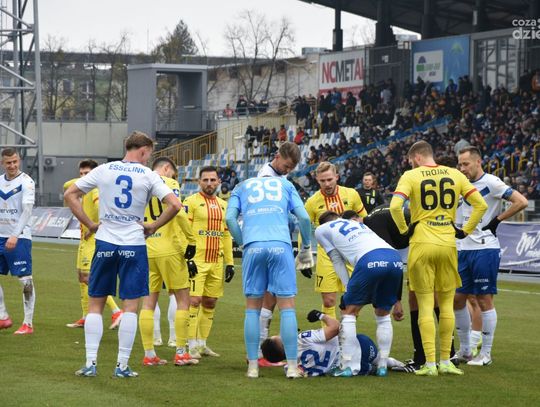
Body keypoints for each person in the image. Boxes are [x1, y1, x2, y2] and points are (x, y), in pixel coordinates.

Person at [64, 131, 182, 378]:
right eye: (149, 154)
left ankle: (90, 363)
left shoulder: (104, 170)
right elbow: (175, 204)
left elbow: (70, 194)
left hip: (105, 242)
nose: (148, 158)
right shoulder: (148, 175)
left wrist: (90, 224)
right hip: (134, 244)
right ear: (143, 150)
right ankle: (122, 366)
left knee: (95, 304)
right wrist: (153, 226)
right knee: (130, 307)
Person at [389, 140, 488, 376]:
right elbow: (481, 205)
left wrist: (405, 230)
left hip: (422, 243)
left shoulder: (411, 176)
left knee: (424, 305)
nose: (411, 165)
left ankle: (430, 364)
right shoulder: (455, 174)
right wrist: (465, 230)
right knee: (445, 306)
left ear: (417, 158)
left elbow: (395, 207)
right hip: (447, 244)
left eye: (411, 161)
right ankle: (446, 361)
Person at [225, 175, 314, 379]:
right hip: (280, 244)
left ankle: (252, 367)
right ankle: (292, 367)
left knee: (252, 309)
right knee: (287, 308)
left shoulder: (241, 186)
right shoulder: (286, 184)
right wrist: (306, 248)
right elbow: (304, 218)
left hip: (253, 245)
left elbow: (229, 219)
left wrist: (243, 243)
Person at [454, 146, 528, 366]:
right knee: (458, 299)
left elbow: (521, 201)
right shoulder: (460, 184)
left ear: (478, 162)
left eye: (466, 164)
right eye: (460, 164)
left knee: (484, 300)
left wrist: (496, 221)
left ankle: (486, 354)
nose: (462, 168)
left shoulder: (492, 182)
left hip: (484, 249)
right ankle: (466, 350)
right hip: (462, 249)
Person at [315, 211, 403, 377]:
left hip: (369, 259)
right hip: (394, 258)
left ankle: (347, 366)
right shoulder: (356, 223)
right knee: (383, 314)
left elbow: (336, 260)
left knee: (349, 312)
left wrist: (347, 286)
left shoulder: (321, 230)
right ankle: (382, 365)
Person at [138, 157, 200, 367]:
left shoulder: (141, 183)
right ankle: (181, 352)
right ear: (166, 168)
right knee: (183, 299)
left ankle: (149, 354)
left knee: (148, 303)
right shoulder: (168, 183)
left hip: (146, 249)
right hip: (170, 249)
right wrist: (191, 240)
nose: (175, 177)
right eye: (173, 173)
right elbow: (178, 212)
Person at [256, 141, 301, 367]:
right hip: (271, 240)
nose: (287, 170)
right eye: (286, 165)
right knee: (272, 297)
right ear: (278, 156)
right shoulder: (267, 177)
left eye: (291, 168)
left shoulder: (277, 175)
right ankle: (259, 354)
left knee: (269, 297)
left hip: (269, 239)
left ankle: (258, 353)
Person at [64, 160, 123, 330]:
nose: (83, 177)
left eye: (87, 173)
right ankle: (85, 316)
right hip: (84, 240)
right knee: (81, 278)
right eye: (81, 173)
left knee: (89, 278)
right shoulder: (85, 187)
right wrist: (84, 179)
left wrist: (94, 225)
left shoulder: (95, 190)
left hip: (93, 240)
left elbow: (102, 209)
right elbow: (66, 185)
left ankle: (116, 311)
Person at [304, 162, 367, 321]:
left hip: (351, 253)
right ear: (317, 180)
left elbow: (364, 219)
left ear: (337, 177)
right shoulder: (312, 202)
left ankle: (347, 331)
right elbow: (303, 228)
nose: (327, 184)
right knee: (328, 300)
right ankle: (331, 335)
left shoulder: (351, 194)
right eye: (322, 181)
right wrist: (303, 254)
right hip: (326, 255)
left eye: (329, 179)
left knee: (353, 299)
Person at [183, 166, 234, 359]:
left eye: (213, 180)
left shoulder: (224, 205)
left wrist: (230, 262)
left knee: (210, 302)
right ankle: (191, 345)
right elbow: (183, 231)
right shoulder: (190, 202)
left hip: (216, 261)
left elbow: (226, 235)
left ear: (219, 182)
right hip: (197, 260)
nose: (209, 183)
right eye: (205, 180)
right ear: (199, 182)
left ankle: (202, 344)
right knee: (194, 301)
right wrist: (188, 259)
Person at [261, 310, 405, 377]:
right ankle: (401, 365)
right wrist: (320, 315)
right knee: (381, 361)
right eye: (280, 337)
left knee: (374, 367)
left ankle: (372, 368)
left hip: (345, 368)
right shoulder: (302, 339)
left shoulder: (290, 368)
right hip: (359, 346)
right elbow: (336, 327)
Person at [0, 148, 35, 334]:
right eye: (8, 162)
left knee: (25, 280)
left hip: (19, 237)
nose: (12, 165)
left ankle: (28, 324)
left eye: (15, 161)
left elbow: (27, 211)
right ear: (2, 163)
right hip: (0, 236)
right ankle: (3, 316)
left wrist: (15, 235)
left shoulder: (26, 182)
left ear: (19, 161)